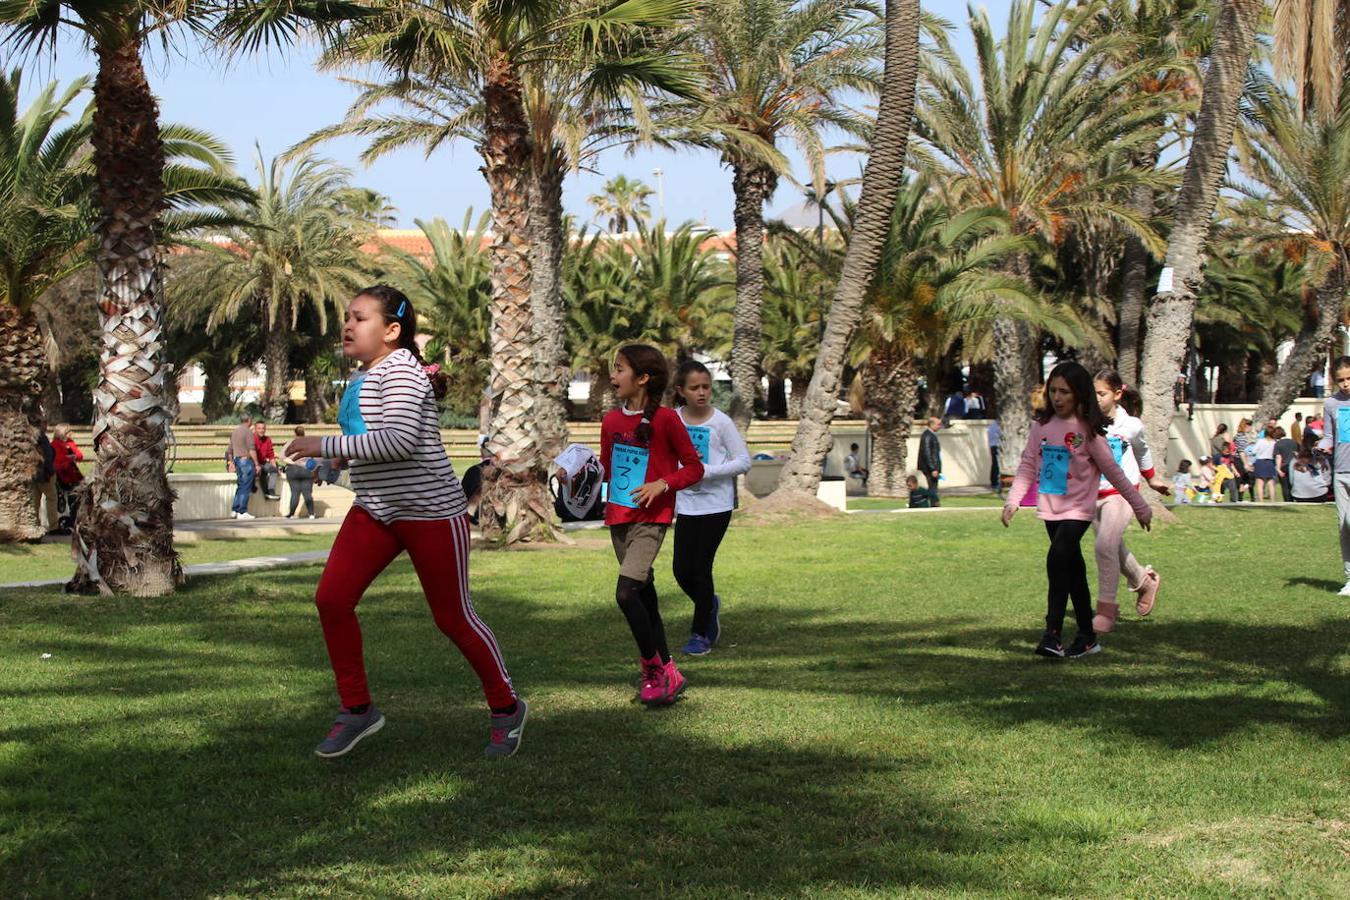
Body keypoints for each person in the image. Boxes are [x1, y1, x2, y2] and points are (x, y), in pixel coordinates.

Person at [284, 285, 526, 760]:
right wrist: (333, 464)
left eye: (360, 318)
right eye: (347, 318)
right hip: (376, 509)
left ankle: (506, 707)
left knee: (453, 617)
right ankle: (357, 709)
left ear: (392, 331)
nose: (348, 326)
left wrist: (324, 446)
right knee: (332, 599)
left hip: (431, 513)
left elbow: (397, 441)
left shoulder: (402, 374)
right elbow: (367, 443)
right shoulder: (362, 376)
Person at [1002, 362, 1152, 659]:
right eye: (1053, 391)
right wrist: (1013, 500)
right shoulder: (1041, 427)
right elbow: (1028, 465)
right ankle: (1087, 637)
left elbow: (1114, 469)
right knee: (1072, 569)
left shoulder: (1089, 431)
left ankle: (1052, 634)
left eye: (1064, 392)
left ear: (1078, 394)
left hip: (1079, 508)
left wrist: (1140, 506)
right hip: (1050, 506)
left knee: (1057, 558)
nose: (1057, 398)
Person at [585, 344, 703, 705]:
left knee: (626, 593)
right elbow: (605, 469)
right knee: (646, 598)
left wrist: (662, 484)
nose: (613, 376)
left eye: (619, 369)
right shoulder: (610, 421)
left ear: (643, 378)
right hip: (618, 519)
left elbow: (694, 468)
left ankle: (650, 668)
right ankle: (669, 672)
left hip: (651, 520)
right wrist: (577, 473)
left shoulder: (667, 420)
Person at [670, 360, 750, 657]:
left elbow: (744, 461)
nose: (702, 393)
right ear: (681, 391)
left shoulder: (721, 422)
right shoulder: (672, 419)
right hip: (686, 504)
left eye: (706, 387)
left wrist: (705, 471)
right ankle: (709, 603)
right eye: (695, 388)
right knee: (681, 570)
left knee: (701, 568)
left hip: (716, 505)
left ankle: (700, 632)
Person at [1089, 370, 1166, 633]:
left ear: (1117, 394)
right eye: (1093, 393)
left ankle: (1105, 611)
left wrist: (1153, 480)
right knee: (1112, 547)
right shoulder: (1086, 422)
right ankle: (1144, 581)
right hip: (1093, 493)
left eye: (1102, 394)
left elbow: (1143, 452)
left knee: (1105, 546)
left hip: (1122, 491)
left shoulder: (1131, 425)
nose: (1096, 398)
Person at [1320, 356, 1350, 594]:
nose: (1346, 384)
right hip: (1340, 471)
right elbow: (1330, 435)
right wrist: (1323, 444)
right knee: (1343, 526)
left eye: (1349, 378)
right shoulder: (1331, 404)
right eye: (1341, 380)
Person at [50, 424, 84, 533]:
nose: (70, 434)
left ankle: (76, 519)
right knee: (71, 496)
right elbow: (58, 462)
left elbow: (79, 455)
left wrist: (73, 457)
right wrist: (68, 459)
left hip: (73, 474)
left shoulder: (70, 442)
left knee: (78, 496)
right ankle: (71, 520)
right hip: (63, 475)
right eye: (68, 432)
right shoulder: (55, 444)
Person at [282, 426, 318, 519]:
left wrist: (293, 462)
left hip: (293, 469)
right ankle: (311, 513)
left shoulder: (290, 443)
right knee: (307, 493)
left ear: (295, 433)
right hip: (306, 469)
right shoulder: (310, 443)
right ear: (304, 433)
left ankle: (292, 513)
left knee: (295, 492)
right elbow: (316, 456)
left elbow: (282, 457)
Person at [228, 414, 258, 520]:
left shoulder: (235, 431)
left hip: (237, 459)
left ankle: (235, 509)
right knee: (245, 486)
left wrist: (231, 462)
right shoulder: (248, 431)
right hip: (245, 460)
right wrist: (256, 463)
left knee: (240, 485)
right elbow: (251, 449)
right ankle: (242, 510)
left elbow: (230, 449)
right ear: (249, 420)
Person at [31, 420, 59, 534]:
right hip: (44, 473)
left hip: (33, 473)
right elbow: (47, 456)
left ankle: (35, 524)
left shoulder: (30, 437)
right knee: (51, 499)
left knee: (35, 501)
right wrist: (51, 471)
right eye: (44, 423)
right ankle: (53, 526)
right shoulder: (42, 438)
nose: (46, 426)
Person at [253, 421, 281, 501]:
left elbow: (271, 455)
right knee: (262, 471)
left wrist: (275, 467)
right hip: (254, 463)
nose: (261, 430)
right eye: (259, 428)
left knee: (273, 470)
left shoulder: (267, 439)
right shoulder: (252, 438)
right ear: (255, 429)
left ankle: (271, 491)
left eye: (263, 428)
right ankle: (266, 493)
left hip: (263, 462)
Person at [918, 416, 943, 506]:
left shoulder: (931, 435)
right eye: (938, 424)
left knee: (933, 486)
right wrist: (933, 468)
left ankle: (934, 503)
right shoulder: (927, 436)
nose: (940, 426)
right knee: (932, 486)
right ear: (932, 424)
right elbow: (927, 453)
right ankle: (934, 504)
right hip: (930, 467)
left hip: (933, 466)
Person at [1251, 427, 1278, 502]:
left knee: (1260, 482)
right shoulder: (1274, 442)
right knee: (1270, 482)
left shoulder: (1260, 441)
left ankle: (1261, 501)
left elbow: (1253, 451)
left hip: (1260, 461)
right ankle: (1272, 501)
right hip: (1270, 462)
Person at [1273, 426, 1298, 502]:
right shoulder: (1293, 442)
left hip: (1284, 466)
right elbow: (1297, 454)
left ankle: (1288, 501)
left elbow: (1278, 457)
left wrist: (1278, 469)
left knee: (1285, 486)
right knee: (1293, 484)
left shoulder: (1278, 444)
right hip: (1294, 466)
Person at [987, 419, 1002, 495]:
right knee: (996, 464)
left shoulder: (992, 425)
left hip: (992, 446)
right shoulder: (997, 426)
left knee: (995, 464)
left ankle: (994, 482)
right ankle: (995, 482)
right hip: (997, 446)